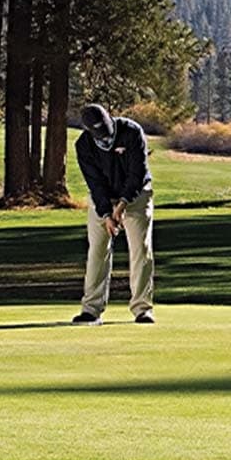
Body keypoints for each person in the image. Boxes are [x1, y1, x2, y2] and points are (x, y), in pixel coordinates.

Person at [71, 103, 156, 325]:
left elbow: (136, 174)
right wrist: (107, 214)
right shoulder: (84, 145)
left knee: (140, 249)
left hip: (136, 196)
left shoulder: (131, 131)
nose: (106, 139)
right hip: (104, 199)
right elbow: (95, 184)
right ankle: (91, 309)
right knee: (97, 251)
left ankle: (142, 309)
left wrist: (122, 206)